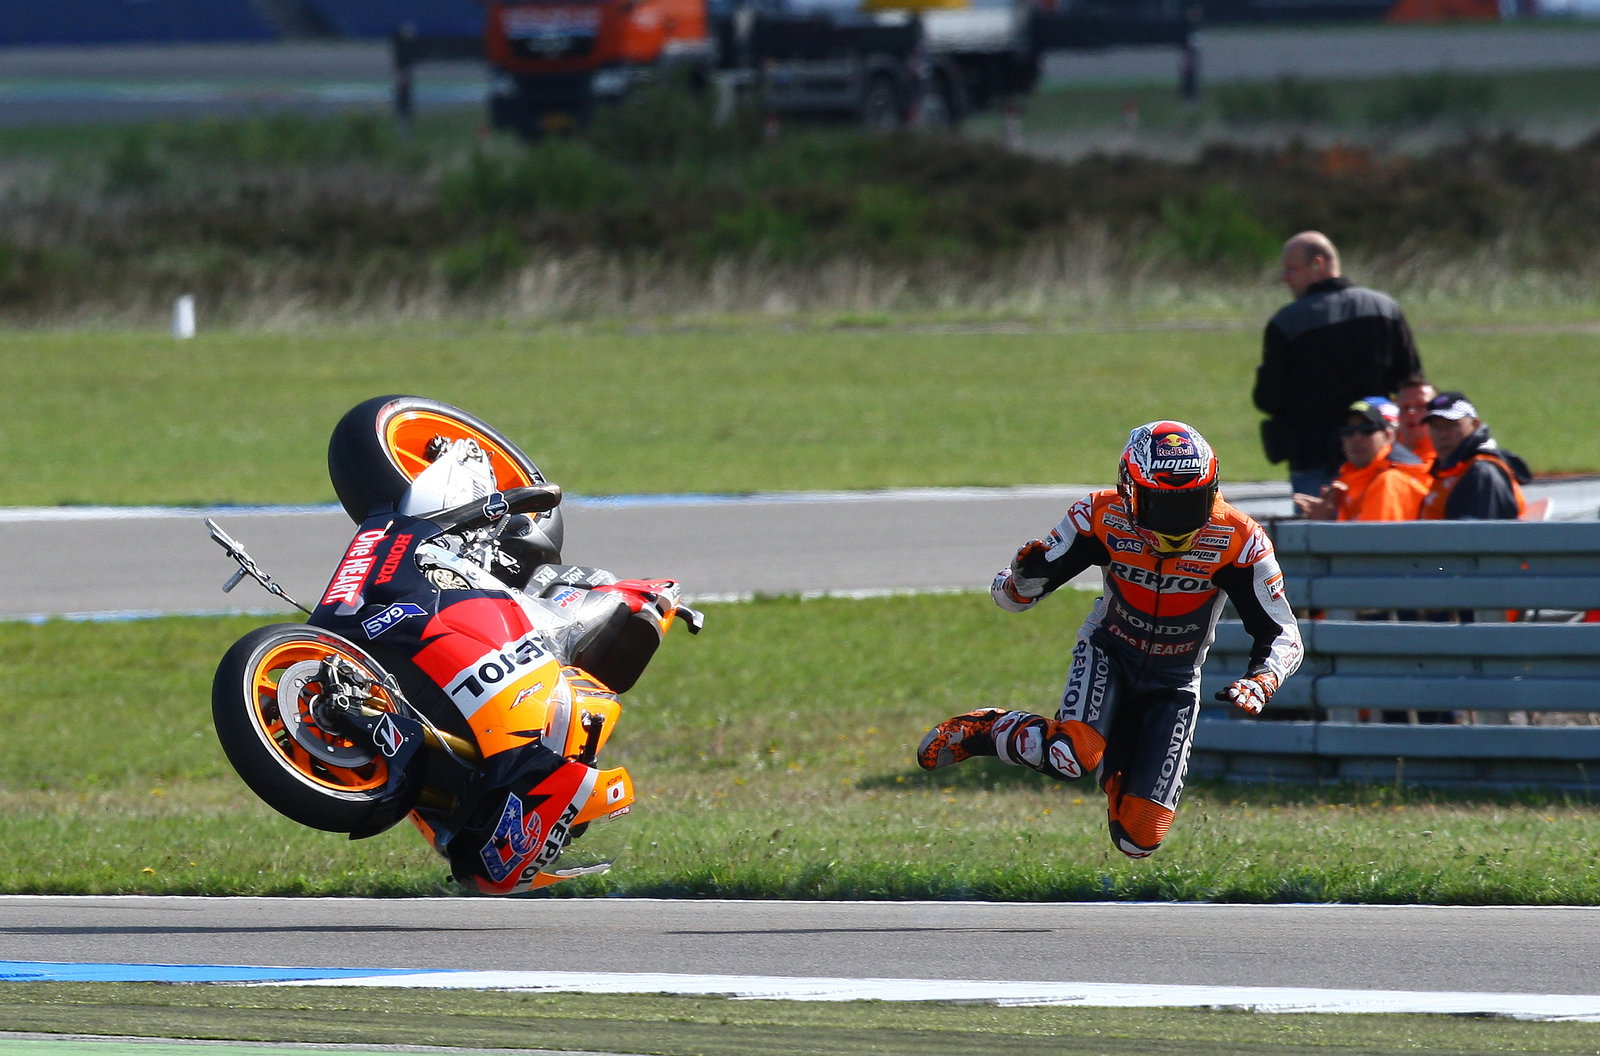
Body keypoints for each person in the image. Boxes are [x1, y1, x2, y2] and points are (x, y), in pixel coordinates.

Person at [915, 421, 1303, 859]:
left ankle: (1117, 764)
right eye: (1161, 504)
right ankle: (990, 729)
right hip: (1109, 651)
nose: (1177, 522)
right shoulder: (1097, 515)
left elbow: (1283, 632)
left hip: (1174, 680)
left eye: (1192, 502)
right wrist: (1021, 580)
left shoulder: (1241, 540)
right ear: (1128, 491)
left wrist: (1263, 678)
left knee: (1140, 838)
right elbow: (1013, 599)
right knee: (1069, 756)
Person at [1254, 231, 1423, 500]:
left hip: (1312, 457)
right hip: (1377, 452)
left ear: (1318, 264)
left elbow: (1268, 398)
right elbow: (1410, 381)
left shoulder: (1287, 322)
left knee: (1317, 536)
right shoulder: (1385, 308)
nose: (1285, 278)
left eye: (1291, 269)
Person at [1293, 396, 1428, 521]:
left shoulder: (1390, 481)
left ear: (1388, 436)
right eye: (1348, 431)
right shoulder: (1348, 482)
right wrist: (1326, 520)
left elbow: (1371, 543)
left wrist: (1324, 527)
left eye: (1367, 430)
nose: (1357, 438)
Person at [1419, 391, 1530, 520]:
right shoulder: (1451, 470)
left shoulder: (1482, 473)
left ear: (1475, 425)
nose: (1443, 435)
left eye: (1452, 425)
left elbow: (1477, 536)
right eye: (1435, 426)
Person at [1394, 376, 1437, 465]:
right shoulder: (1382, 453)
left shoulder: (1446, 456)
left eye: (1421, 406)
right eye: (1405, 407)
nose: (1411, 412)